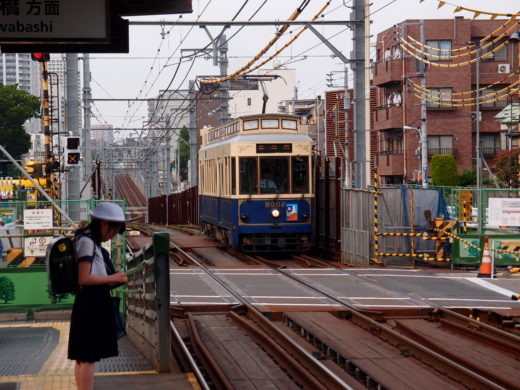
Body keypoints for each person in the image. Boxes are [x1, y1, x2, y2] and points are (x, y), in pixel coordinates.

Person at [68, 202, 128, 390]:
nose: (111, 235)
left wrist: (112, 281)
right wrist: (113, 277)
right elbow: (84, 278)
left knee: (83, 357)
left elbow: (93, 277)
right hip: (91, 303)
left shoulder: (86, 240)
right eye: (113, 230)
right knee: (88, 358)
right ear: (104, 224)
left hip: (89, 301)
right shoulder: (87, 243)